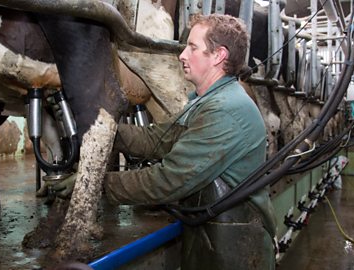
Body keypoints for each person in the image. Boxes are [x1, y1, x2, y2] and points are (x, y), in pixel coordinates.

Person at [103, 14, 277, 270]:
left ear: (218, 55)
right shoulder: (206, 101)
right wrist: (103, 132)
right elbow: (158, 139)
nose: (182, 55)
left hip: (235, 247)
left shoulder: (225, 110)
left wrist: (97, 183)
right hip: (213, 235)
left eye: (192, 47)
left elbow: (168, 179)